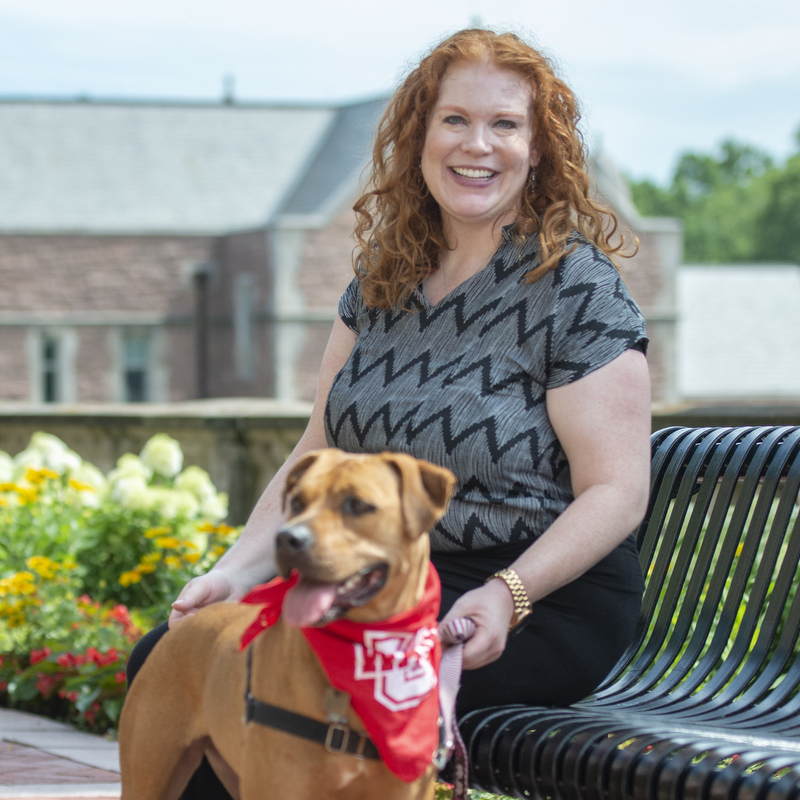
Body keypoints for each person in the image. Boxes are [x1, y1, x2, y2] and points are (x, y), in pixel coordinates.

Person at [127, 28, 651, 797]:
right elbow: (317, 452)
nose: (479, 145)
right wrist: (235, 571)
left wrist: (508, 594)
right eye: (455, 120)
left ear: (538, 149)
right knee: (178, 660)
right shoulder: (381, 281)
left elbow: (617, 491)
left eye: (505, 125)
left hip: (534, 598)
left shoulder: (576, 291)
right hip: (374, 577)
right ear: (420, 136)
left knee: (294, 704)